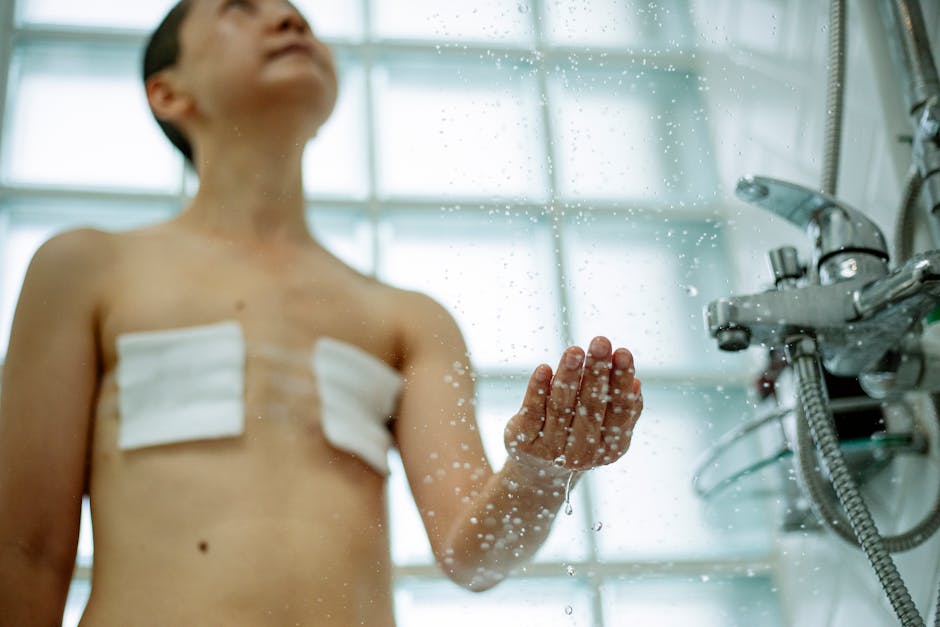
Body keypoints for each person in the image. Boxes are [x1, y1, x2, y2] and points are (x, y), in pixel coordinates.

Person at [0, 0, 644, 624]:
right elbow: (25, 548)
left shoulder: (408, 320)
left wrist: (541, 472)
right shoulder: (87, 270)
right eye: (238, 8)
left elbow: (473, 555)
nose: (290, 19)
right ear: (169, 94)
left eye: (296, 13)